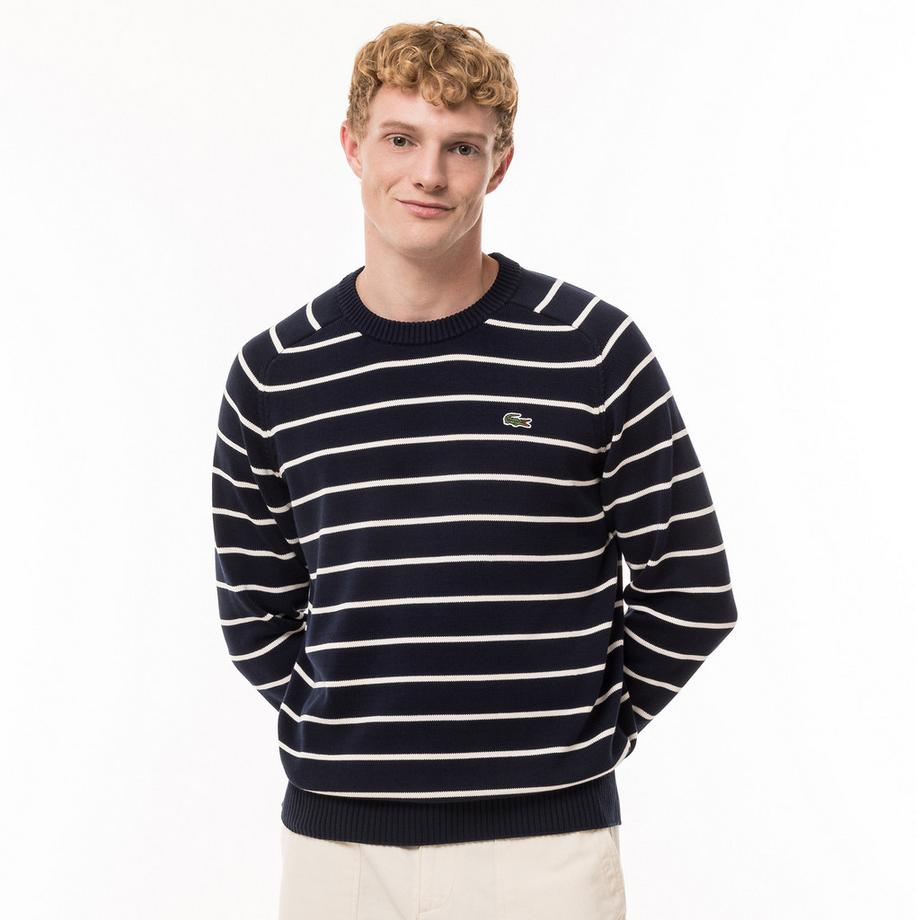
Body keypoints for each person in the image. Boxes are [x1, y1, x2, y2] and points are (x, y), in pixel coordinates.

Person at [210, 19, 738, 920]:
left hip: (546, 851)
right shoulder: (275, 372)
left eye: (462, 147)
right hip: (341, 853)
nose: (429, 174)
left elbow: (692, 587)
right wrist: (349, 736)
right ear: (352, 147)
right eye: (401, 139)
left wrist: (584, 735)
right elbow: (255, 608)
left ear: (499, 165)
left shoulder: (591, 349)